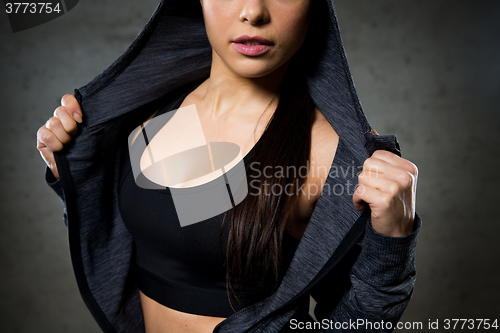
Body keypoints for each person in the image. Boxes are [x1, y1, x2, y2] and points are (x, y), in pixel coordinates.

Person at [36, 0, 422, 332]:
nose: (253, 12)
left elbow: (355, 319)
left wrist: (393, 241)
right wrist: (72, 173)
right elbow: (154, 235)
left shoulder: (327, 155)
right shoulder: (150, 111)